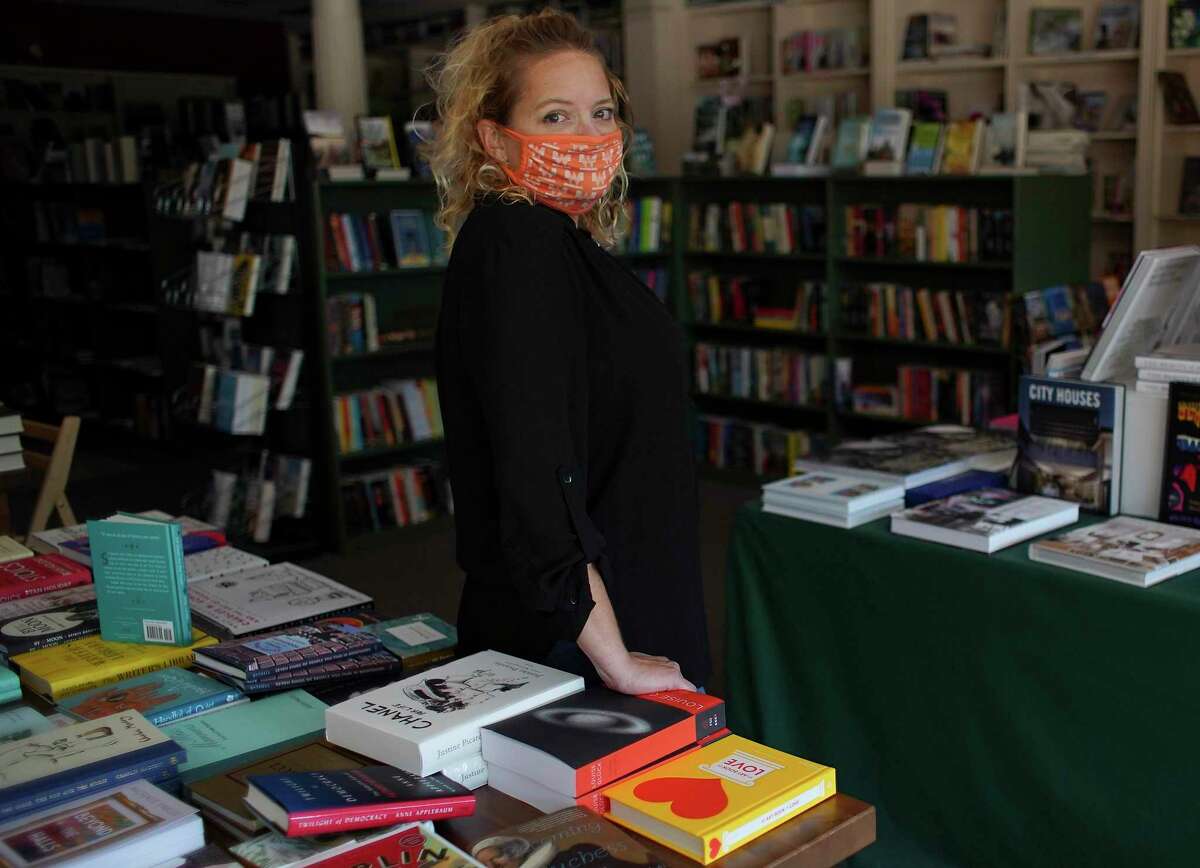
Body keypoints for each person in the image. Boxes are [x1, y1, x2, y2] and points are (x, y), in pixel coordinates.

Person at [431, 8, 710, 694]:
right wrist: (614, 656)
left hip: (614, 595)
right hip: (578, 638)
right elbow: (537, 468)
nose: (588, 137)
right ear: (494, 137)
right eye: (555, 116)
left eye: (601, 112)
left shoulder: (556, 240)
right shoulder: (517, 243)